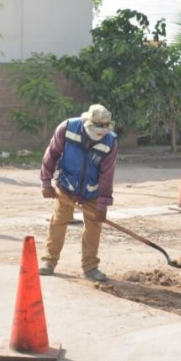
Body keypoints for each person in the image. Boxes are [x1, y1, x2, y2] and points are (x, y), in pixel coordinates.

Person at [38, 104, 118, 282]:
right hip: (67, 186)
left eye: (102, 132)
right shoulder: (67, 128)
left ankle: (90, 267)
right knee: (59, 221)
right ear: (86, 123)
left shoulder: (110, 142)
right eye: (96, 131)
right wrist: (46, 182)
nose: (99, 136)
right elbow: (51, 154)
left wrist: (103, 204)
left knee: (94, 226)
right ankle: (49, 262)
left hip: (93, 191)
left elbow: (107, 174)